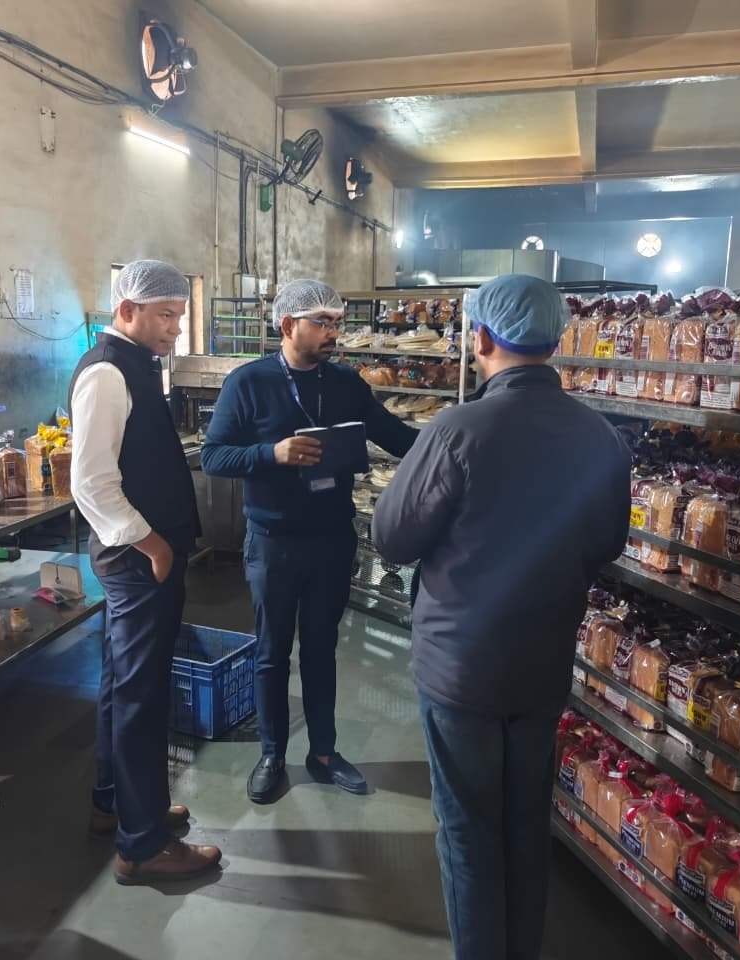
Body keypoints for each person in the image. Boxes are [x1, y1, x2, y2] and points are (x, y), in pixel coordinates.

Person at [371, 275, 631, 960]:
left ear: (481, 338)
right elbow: (608, 543)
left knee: (468, 830)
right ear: (555, 340)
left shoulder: (459, 429)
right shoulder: (600, 436)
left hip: (462, 666)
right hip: (543, 659)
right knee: (524, 826)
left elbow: (392, 537)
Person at [201, 279, 418, 804]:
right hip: (272, 542)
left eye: (337, 322)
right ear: (287, 325)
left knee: (321, 649)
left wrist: (459, 432)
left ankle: (324, 754)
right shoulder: (249, 382)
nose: (333, 332)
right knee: (272, 653)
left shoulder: (345, 382)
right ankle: (272, 754)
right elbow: (213, 456)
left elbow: (394, 435)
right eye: (322, 322)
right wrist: (271, 454)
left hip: (331, 539)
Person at [69, 259, 222, 884]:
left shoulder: (134, 365)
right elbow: (91, 483)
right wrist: (155, 546)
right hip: (138, 560)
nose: (175, 328)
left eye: (179, 316)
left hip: (142, 556)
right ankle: (143, 845)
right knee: (141, 694)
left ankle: (119, 804)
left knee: (122, 683)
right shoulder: (107, 372)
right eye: (165, 315)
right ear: (126, 310)